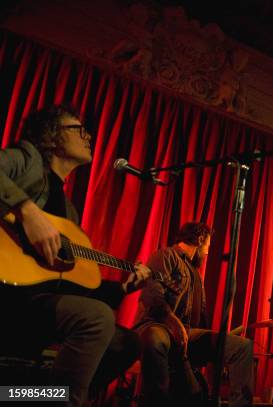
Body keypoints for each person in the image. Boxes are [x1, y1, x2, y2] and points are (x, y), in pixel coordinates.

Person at [0, 105, 151, 406]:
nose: (89, 136)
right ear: (50, 137)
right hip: (7, 296)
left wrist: (123, 288)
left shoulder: (68, 214)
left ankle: (31, 398)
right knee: (95, 317)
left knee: (126, 342)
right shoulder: (27, 159)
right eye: (79, 129)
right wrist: (27, 210)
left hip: (35, 303)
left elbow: (67, 283)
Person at [135, 221, 254, 407]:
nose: (207, 252)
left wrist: (215, 348)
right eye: (207, 245)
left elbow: (199, 319)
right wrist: (173, 322)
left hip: (187, 333)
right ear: (199, 240)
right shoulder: (166, 255)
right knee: (155, 339)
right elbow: (152, 295)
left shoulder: (196, 274)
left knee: (242, 347)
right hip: (159, 325)